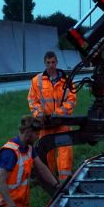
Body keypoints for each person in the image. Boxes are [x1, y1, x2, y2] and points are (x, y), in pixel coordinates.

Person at [28, 51, 77, 182]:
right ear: (45, 63)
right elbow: (33, 101)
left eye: (53, 62)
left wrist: (58, 113)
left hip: (62, 122)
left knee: (64, 152)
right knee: (48, 154)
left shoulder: (66, 80)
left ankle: (64, 181)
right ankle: (51, 181)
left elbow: (71, 100)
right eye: (48, 62)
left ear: (57, 62)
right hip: (46, 123)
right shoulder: (36, 81)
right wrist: (39, 114)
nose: (51, 65)